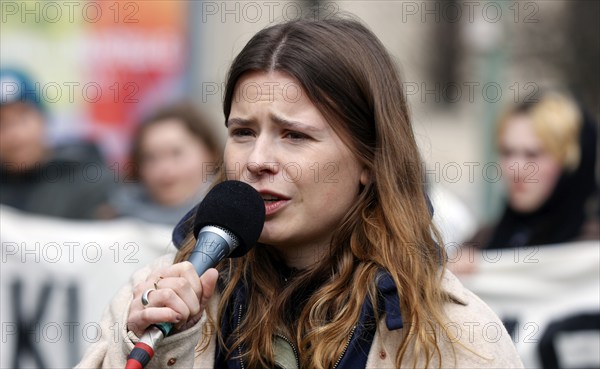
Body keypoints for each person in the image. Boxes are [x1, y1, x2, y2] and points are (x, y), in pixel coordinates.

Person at [77, 17, 522, 369]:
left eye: (294, 136)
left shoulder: (452, 330)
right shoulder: (157, 296)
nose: (258, 160)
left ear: (369, 159)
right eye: (244, 132)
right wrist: (167, 348)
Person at [449, 92, 598, 274]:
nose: (515, 169)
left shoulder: (591, 245)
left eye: (533, 154)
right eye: (507, 152)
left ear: (569, 162)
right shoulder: (482, 240)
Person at [0, 69, 113, 219]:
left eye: (22, 118)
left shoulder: (87, 176)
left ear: (42, 118)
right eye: (2, 123)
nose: (15, 135)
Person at [106, 103, 220, 225]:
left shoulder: (228, 221)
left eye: (176, 153)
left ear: (211, 154)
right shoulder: (113, 223)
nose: (164, 168)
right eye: (150, 157)